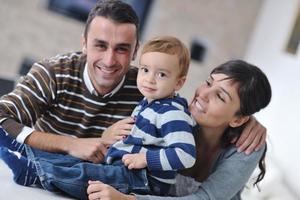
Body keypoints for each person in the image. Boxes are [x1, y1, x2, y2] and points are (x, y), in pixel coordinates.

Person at [0, 0, 266, 197]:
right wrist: (72, 144)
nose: (109, 60)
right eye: (100, 45)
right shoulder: (55, 73)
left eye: (122, 49)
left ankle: (34, 168)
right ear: (84, 42)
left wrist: (250, 122)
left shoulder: (150, 87)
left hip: (131, 179)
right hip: (85, 164)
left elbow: (184, 115)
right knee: (77, 166)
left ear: (135, 52)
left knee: (90, 175)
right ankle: (30, 156)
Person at [0, 36, 197, 198]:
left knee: (85, 174)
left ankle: (35, 175)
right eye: (145, 70)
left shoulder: (172, 113)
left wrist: (145, 158)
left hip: (143, 180)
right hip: (123, 168)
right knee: (71, 162)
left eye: (161, 74)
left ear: (179, 83)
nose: (149, 79)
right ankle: (26, 150)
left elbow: (185, 155)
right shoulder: (149, 103)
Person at [86, 60, 272, 200]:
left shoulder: (248, 145)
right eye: (208, 83)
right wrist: (106, 137)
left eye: (220, 97)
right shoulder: (172, 119)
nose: (202, 95)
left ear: (239, 119)